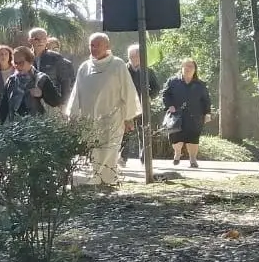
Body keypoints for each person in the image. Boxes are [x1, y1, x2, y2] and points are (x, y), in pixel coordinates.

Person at [66, 33, 141, 188]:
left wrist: (128, 117)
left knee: (110, 148)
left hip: (113, 118)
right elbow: (76, 93)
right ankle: (96, 177)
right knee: (94, 149)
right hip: (90, 118)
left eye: (97, 45)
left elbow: (128, 91)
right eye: (91, 45)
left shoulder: (118, 65)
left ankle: (108, 180)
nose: (94, 48)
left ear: (107, 46)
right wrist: (72, 115)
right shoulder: (84, 67)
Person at [162, 58, 213, 167]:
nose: (188, 69)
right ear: (181, 68)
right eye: (185, 66)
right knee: (176, 137)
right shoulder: (173, 82)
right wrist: (169, 105)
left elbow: (206, 100)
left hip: (195, 115)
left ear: (195, 69)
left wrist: (207, 114)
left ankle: (193, 160)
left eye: (190, 66)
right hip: (177, 115)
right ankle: (177, 154)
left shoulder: (200, 84)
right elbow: (165, 95)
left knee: (193, 138)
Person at [0, 46, 64, 121]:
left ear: (30, 61)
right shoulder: (11, 81)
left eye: (21, 63)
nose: (18, 66)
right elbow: (4, 107)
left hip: (37, 127)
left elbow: (56, 101)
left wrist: (42, 94)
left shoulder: (41, 79)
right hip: (15, 128)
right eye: (15, 63)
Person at [122, 43, 163, 167]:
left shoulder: (148, 71)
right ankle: (122, 157)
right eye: (131, 56)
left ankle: (144, 159)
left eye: (136, 55)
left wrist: (149, 96)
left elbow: (156, 88)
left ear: (141, 56)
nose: (133, 58)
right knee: (125, 132)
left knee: (144, 132)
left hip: (142, 106)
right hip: (126, 105)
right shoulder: (123, 69)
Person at [28, 27, 76, 104]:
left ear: (47, 40)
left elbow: (66, 82)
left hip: (52, 103)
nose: (41, 41)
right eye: (37, 39)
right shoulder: (25, 58)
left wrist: (63, 103)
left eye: (44, 39)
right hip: (31, 104)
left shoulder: (56, 58)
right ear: (30, 41)